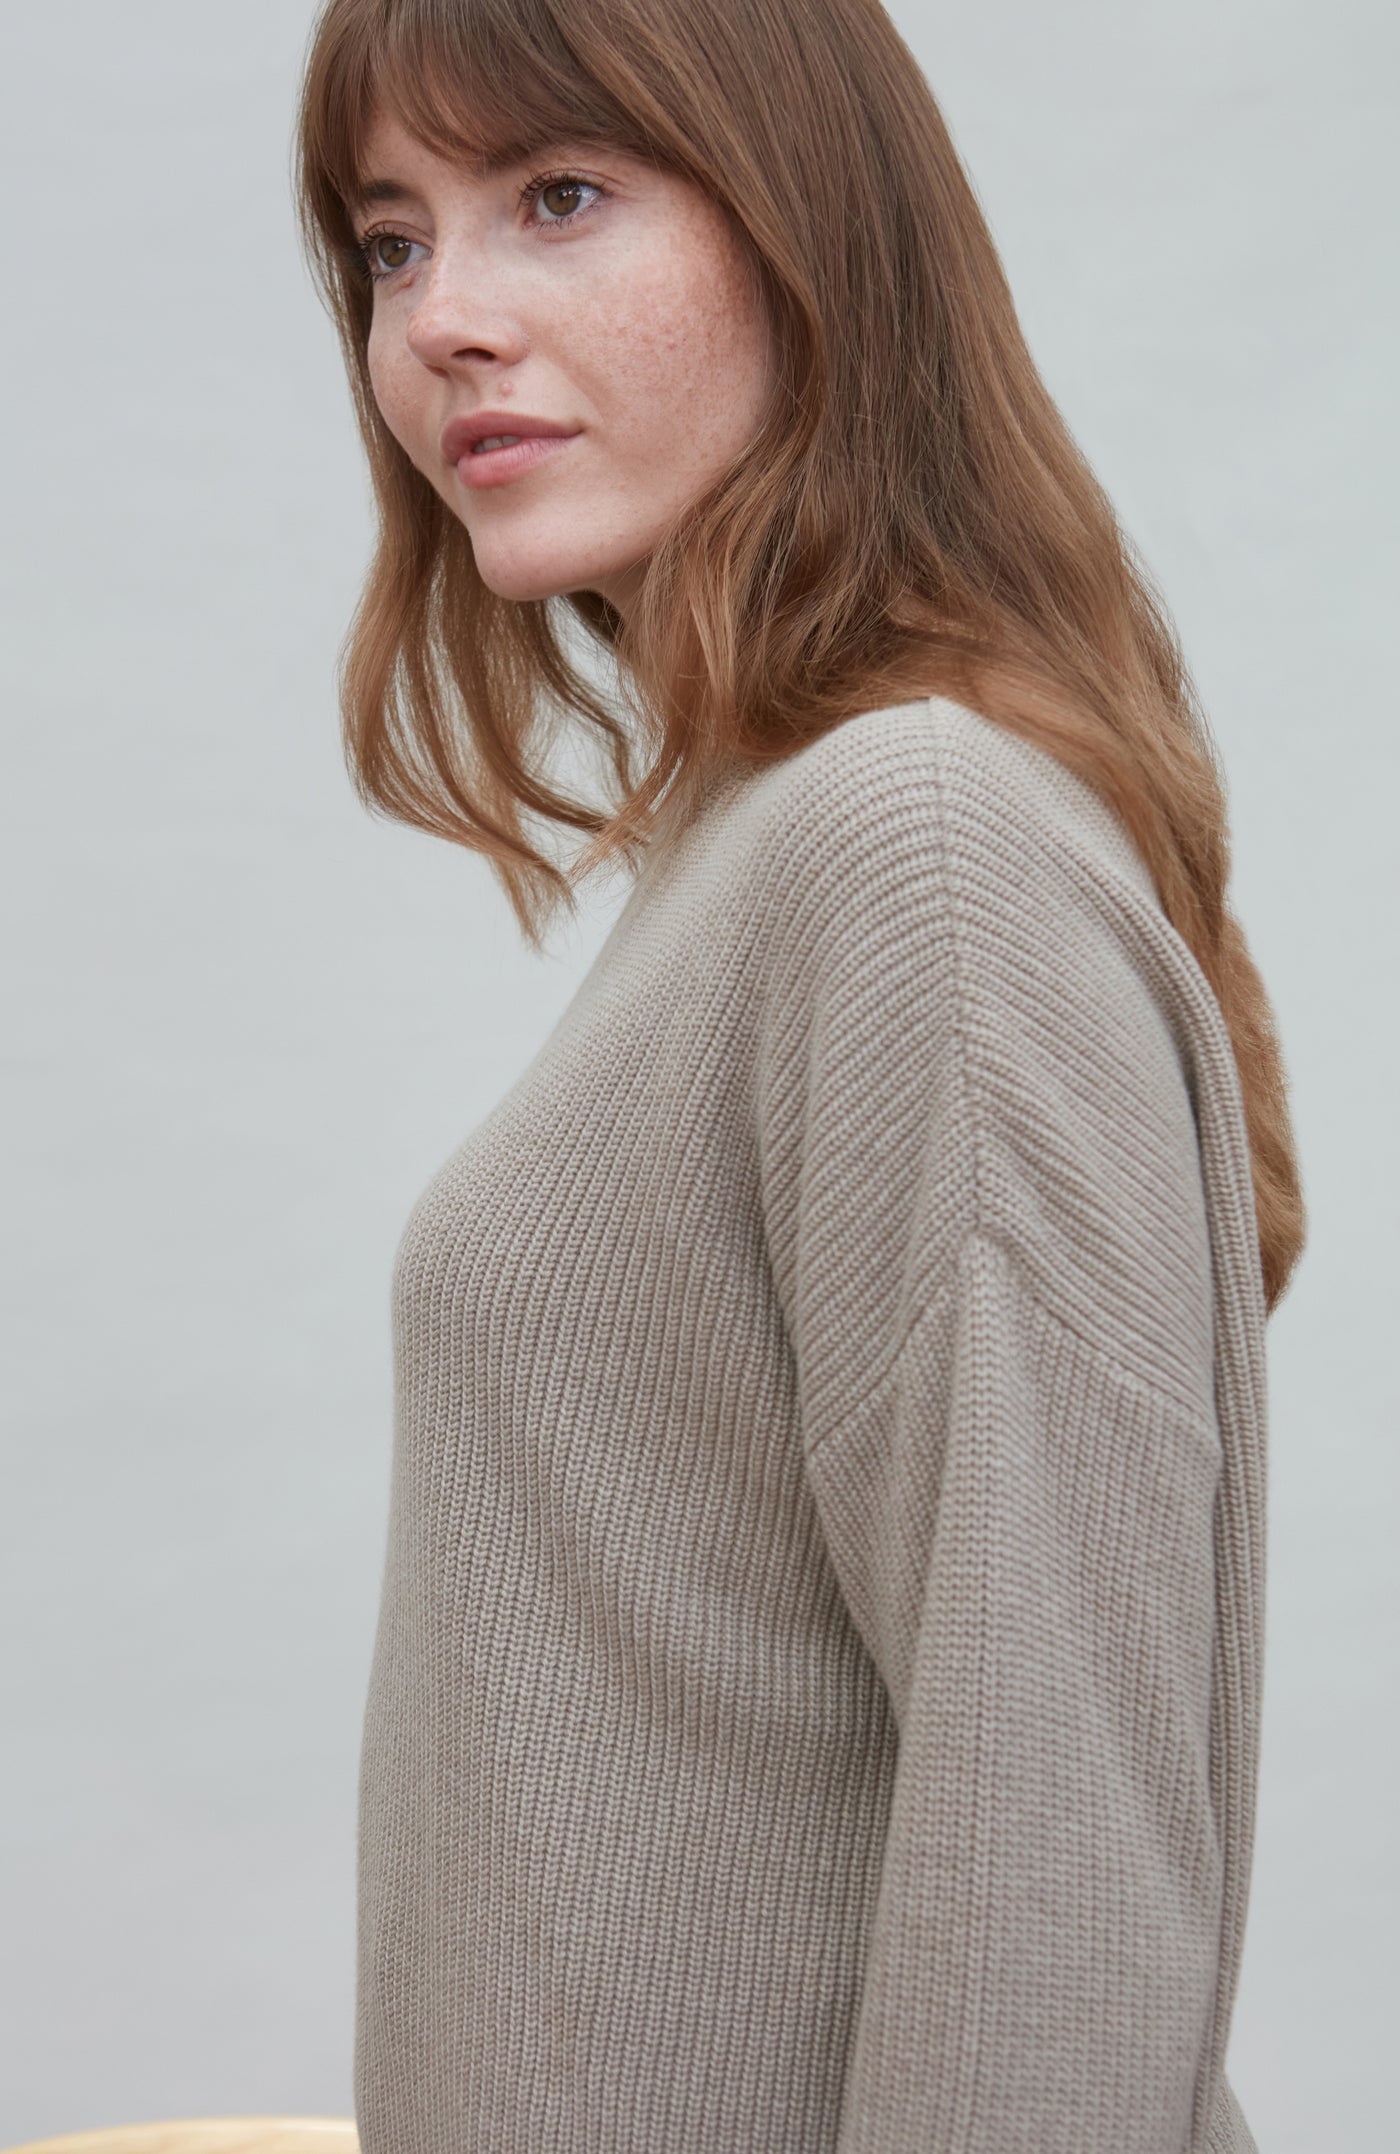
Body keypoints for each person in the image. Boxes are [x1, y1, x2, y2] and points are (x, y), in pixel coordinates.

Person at [292, 1, 1305, 2148]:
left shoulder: (912, 846)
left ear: (810, 232)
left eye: (556, 197)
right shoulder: (761, 844)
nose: (445, 320)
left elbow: (1056, 1867)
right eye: (393, 241)